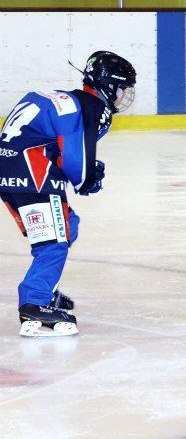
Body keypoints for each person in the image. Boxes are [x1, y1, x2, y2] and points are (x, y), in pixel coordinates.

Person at [0, 51, 137, 336]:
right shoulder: (92, 108)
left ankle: (43, 287)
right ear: (109, 86)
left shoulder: (66, 98)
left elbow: (48, 143)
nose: (124, 96)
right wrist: (89, 179)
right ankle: (35, 302)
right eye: (122, 88)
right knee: (54, 242)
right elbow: (77, 165)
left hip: (11, 171)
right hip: (34, 174)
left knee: (67, 224)